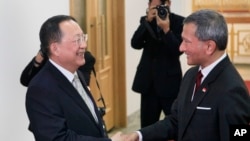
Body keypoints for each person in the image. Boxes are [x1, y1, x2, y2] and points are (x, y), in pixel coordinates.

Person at [124, 9, 250, 141]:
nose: (181, 48)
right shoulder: (190, 75)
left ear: (209, 47)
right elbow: (176, 121)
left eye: (186, 41)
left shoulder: (232, 90)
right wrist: (138, 135)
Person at [25, 15, 123, 141]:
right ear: (55, 48)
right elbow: (57, 138)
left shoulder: (76, 72)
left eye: (83, 37)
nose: (84, 45)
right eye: (77, 40)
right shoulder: (40, 89)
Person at [131, 0, 184, 128]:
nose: (157, 10)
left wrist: (166, 30)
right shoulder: (146, 21)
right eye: (153, 7)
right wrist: (146, 23)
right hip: (148, 83)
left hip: (170, 83)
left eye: (160, 7)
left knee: (176, 124)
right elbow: (135, 44)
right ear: (148, 6)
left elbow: (178, 50)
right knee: (147, 126)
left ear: (168, 4)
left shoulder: (179, 22)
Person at [20, 49, 95, 87]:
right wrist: (38, 60)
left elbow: (82, 85)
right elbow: (25, 81)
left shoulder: (84, 58)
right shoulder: (45, 57)